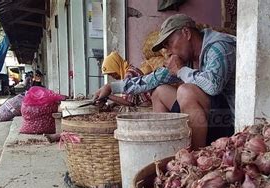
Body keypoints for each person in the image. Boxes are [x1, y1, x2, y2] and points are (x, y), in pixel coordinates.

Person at [95, 14, 236, 149]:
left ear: (186, 33)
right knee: (159, 91)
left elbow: (213, 86)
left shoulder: (219, 47)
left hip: (228, 122)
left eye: (169, 44)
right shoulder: (186, 59)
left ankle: (196, 158)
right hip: (207, 119)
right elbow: (152, 80)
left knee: (186, 91)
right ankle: (166, 148)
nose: (168, 51)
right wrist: (112, 87)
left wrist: (181, 70)